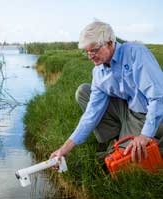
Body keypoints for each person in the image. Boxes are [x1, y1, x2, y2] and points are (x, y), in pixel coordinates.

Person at [50, 21, 163, 164]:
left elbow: (158, 97)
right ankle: (115, 139)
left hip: (148, 111)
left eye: (94, 50)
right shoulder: (98, 72)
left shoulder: (136, 53)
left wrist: (145, 135)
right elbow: (91, 113)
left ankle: (153, 138)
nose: (90, 56)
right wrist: (64, 148)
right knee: (84, 92)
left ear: (110, 43)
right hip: (129, 108)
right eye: (87, 51)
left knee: (124, 160)